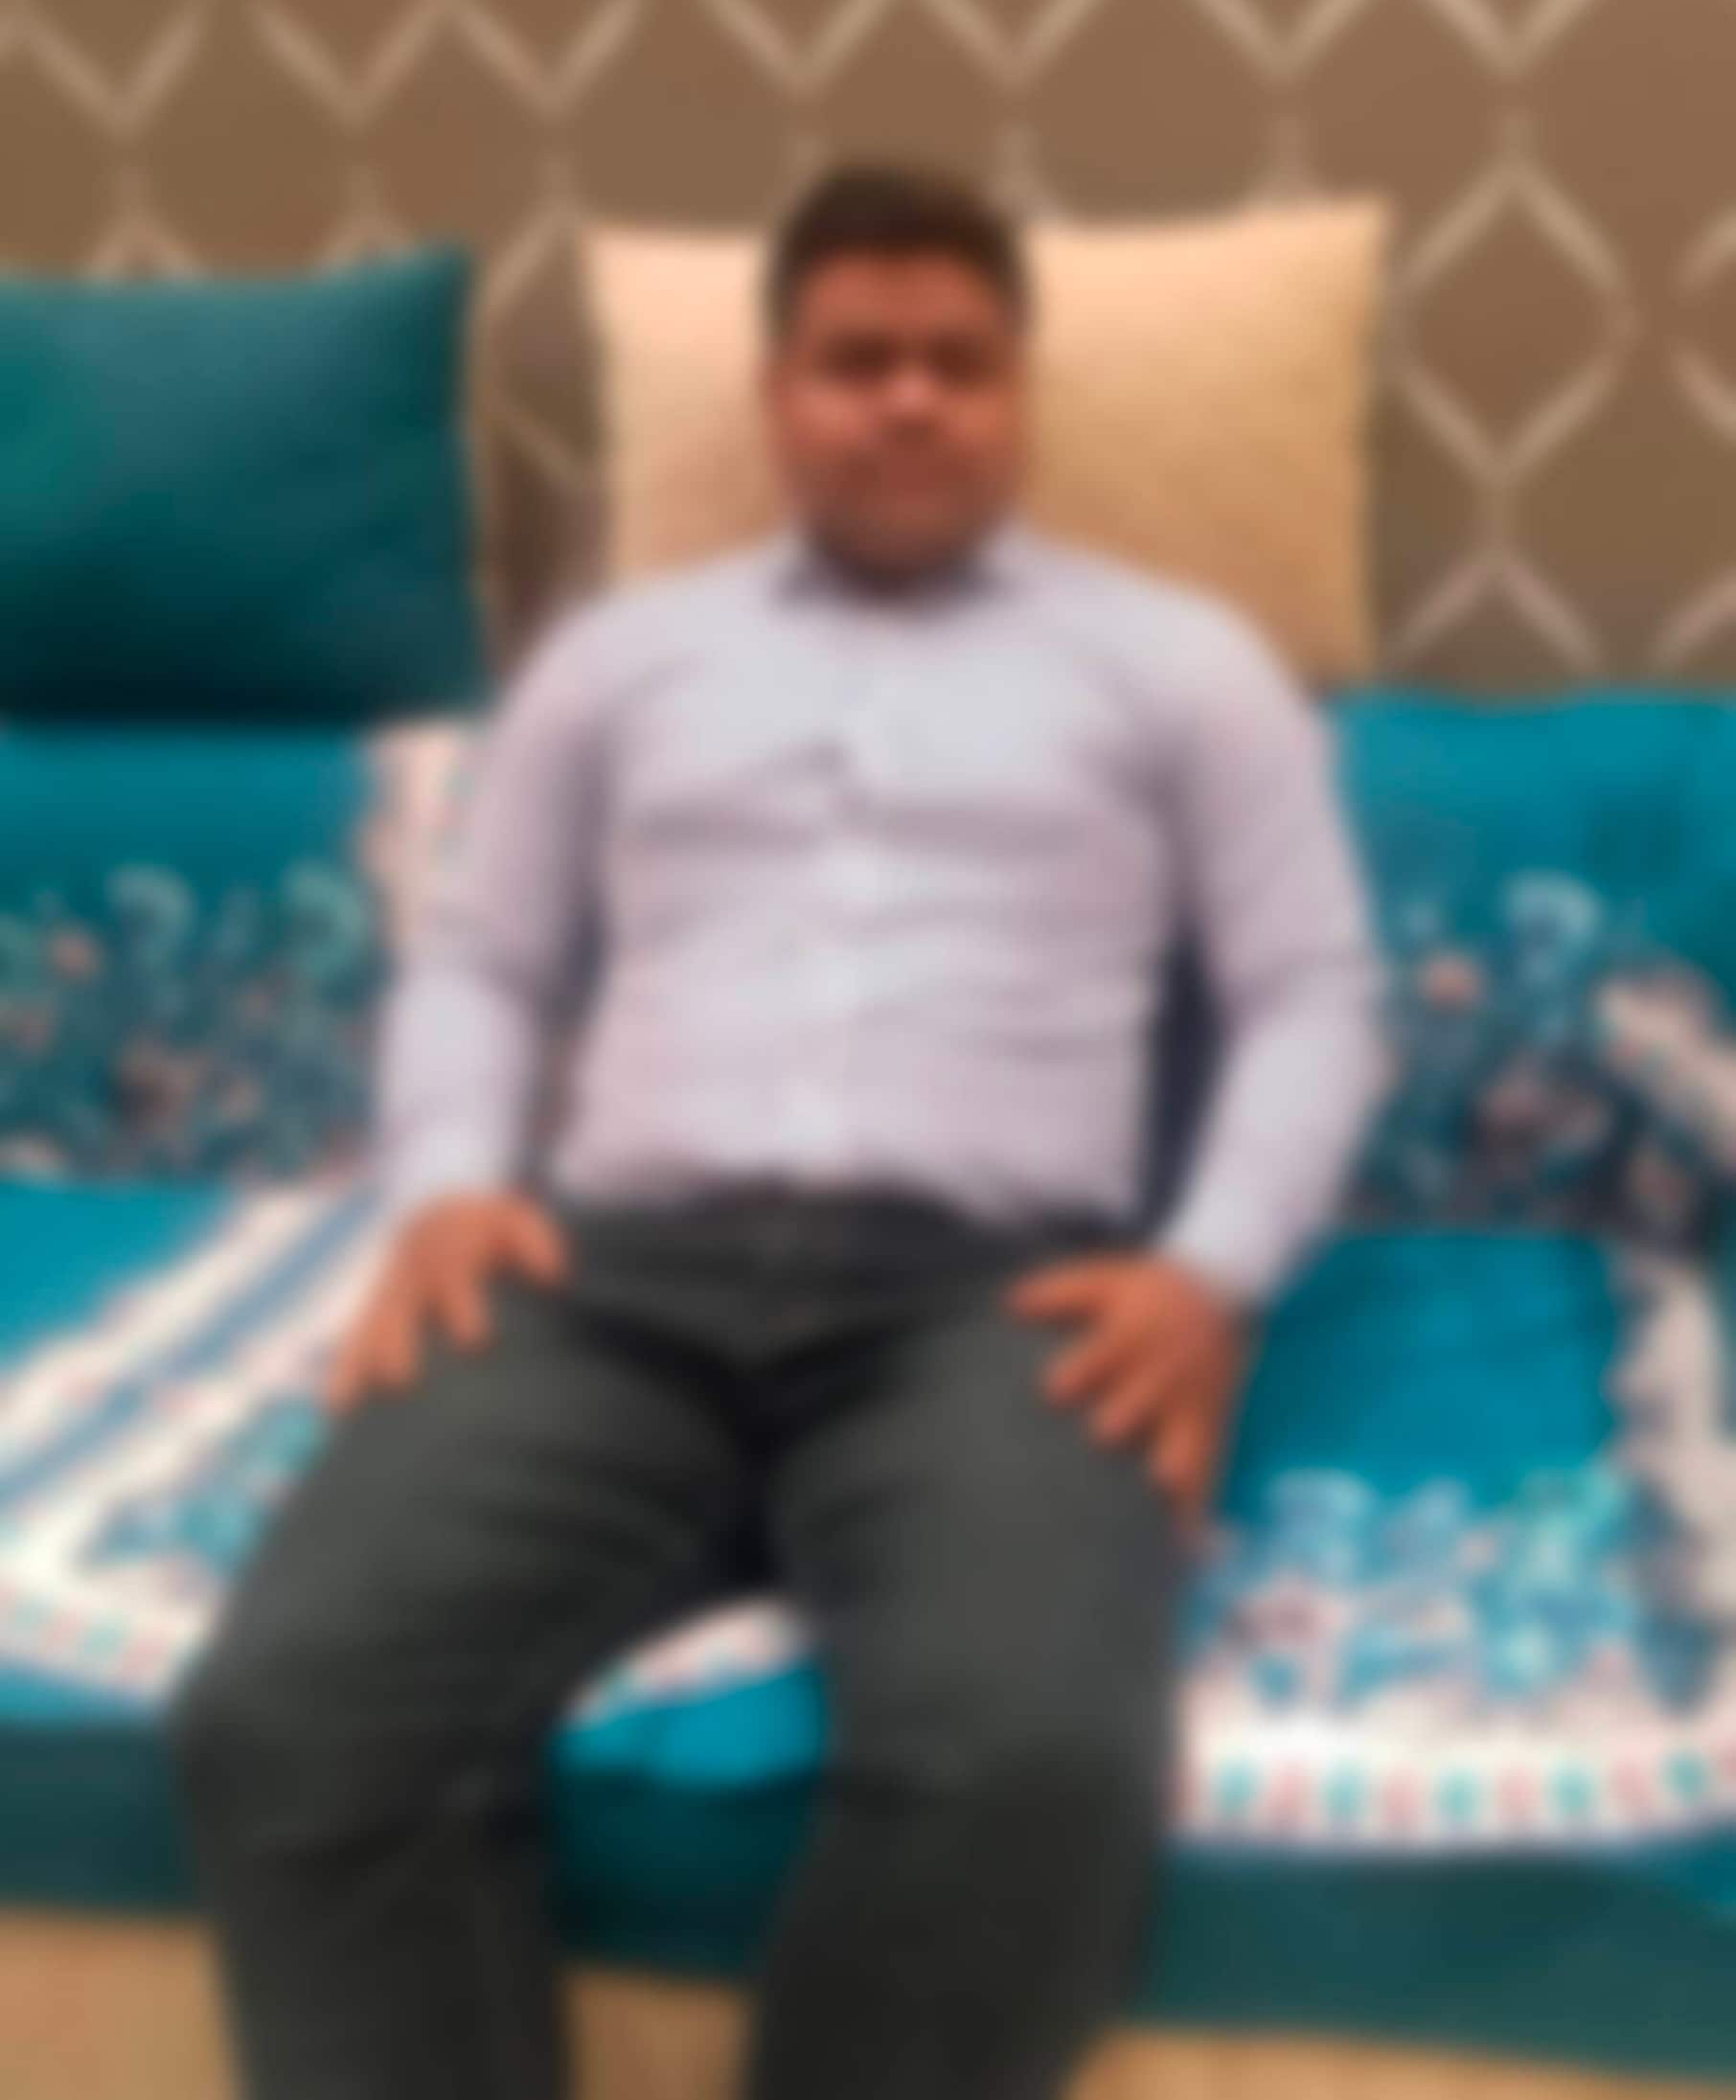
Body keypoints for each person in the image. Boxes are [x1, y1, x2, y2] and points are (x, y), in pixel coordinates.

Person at [171, 163, 1389, 2100]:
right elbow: (484, 958)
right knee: (292, 1711)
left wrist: (1208, 1273)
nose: (909, 401)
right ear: (773, 397)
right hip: (609, 1285)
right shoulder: (619, 660)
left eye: (958, 363)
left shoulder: (1184, 667)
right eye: (857, 361)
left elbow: (1314, 995)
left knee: (1029, 1765)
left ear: (1019, 395)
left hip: (993, 1310)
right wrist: (453, 1184)